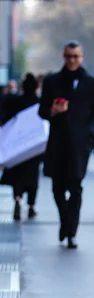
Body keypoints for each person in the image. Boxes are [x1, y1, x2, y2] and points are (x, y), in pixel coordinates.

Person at [38, 40, 94, 249]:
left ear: (81, 57)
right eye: (68, 56)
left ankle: (71, 231)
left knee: (75, 187)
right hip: (57, 142)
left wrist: (89, 134)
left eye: (76, 56)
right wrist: (52, 112)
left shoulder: (91, 83)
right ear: (63, 57)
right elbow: (42, 110)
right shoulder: (52, 81)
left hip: (80, 145)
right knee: (57, 188)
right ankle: (65, 222)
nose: (72, 60)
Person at [0, 74, 42, 221]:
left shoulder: (15, 101)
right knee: (33, 176)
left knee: (17, 176)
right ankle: (31, 206)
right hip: (34, 146)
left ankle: (17, 199)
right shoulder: (39, 102)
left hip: (17, 145)